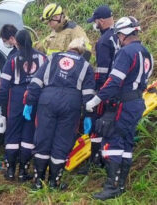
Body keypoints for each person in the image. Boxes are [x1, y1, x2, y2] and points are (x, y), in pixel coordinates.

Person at [86, 16, 154, 200]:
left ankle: (112, 186)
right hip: (137, 102)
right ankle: (120, 184)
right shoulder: (146, 53)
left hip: (123, 103)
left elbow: (115, 81)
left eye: (118, 36)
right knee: (126, 142)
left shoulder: (126, 53)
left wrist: (97, 99)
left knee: (113, 142)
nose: (117, 39)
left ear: (123, 34)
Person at [24, 38, 95, 190]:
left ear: (68, 47)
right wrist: (89, 115)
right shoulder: (86, 66)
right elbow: (88, 95)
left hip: (47, 100)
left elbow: (36, 81)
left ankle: (38, 181)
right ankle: (54, 183)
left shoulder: (53, 58)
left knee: (43, 138)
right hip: (71, 104)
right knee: (62, 142)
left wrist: (30, 102)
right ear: (82, 52)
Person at [0, 29, 46, 181]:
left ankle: (11, 170)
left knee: (12, 133)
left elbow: (3, 86)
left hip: (16, 99)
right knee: (28, 134)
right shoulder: (43, 58)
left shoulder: (12, 60)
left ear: (16, 43)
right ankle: (23, 170)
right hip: (35, 97)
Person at [78, 5, 121, 174]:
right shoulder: (119, 36)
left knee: (97, 124)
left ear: (101, 21)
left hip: (106, 88)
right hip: (119, 88)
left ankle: (95, 160)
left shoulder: (103, 41)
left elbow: (102, 71)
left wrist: (96, 93)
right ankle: (104, 156)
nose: (94, 25)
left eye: (95, 22)